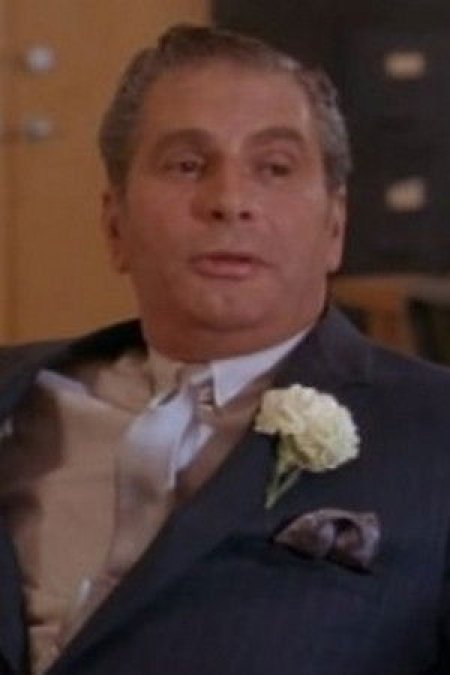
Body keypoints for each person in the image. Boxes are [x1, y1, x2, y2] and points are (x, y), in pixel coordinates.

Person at [0, 23, 449, 675]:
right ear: (114, 223)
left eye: (274, 168)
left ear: (335, 225)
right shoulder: (22, 397)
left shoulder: (434, 435)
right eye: (187, 165)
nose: (230, 201)